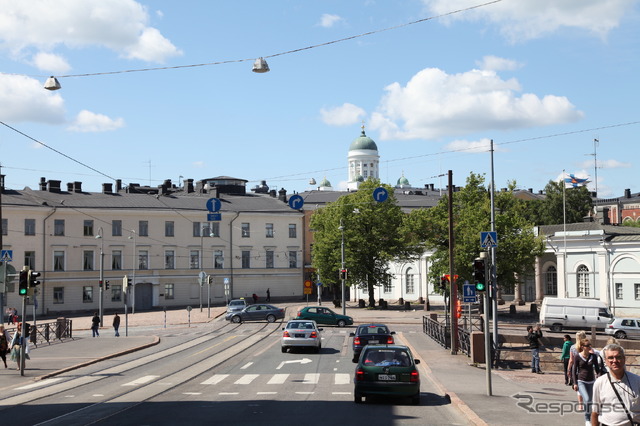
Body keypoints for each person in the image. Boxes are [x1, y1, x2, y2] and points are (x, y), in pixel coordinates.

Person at [591, 343, 640, 425]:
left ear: (624, 359)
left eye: (618, 357)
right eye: (610, 358)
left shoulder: (637, 380)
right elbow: (595, 412)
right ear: (605, 361)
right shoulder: (600, 382)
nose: (614, 361)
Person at [572, 338, 601, 424]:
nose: (589, 347)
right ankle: (587, 419)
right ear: (582, 347)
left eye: (590, 345)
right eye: (587, 346)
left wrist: (599, 377)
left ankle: (589, 416)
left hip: (591, 381)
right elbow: (574, 370)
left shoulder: (594, 356)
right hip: (581, 381)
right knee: (587, 399)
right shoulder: (577, 356)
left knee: (590, 401)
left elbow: (597, 369)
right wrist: (574, 383)